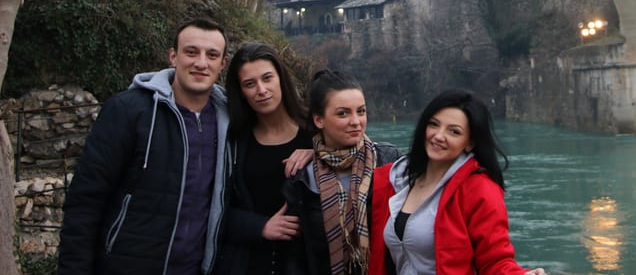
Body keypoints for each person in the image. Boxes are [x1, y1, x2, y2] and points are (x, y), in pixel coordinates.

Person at [59, 17, 231, 275]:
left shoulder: (230, 120)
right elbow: (85, 200)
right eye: (191, 52)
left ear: (222, 64)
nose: (201, 63)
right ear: (173, 56)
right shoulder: (128, 110)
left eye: (212, 55)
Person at [369, 89, 547, 275]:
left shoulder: (479, 190)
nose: (439, 136)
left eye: (454, 132)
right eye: (434, 124)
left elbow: (495, 261)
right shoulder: (397, 179)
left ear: (469, 143)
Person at [282, 69, 400, 275]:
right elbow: (296, 254)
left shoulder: (390, 161)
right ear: (319, 120)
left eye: (361, 111)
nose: (356, 121)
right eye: (343, 113)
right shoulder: (302, 178)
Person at [219, 42, 314, 275]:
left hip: (309, 260)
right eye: (250, 84)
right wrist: (260, 226)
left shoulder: (315, 131)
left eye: (267, 78)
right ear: (241, 91)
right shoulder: (233, 140)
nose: (261, 90)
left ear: (281, 79)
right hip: (250, 261)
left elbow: (361, 157)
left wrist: (320, 153)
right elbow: (212, 207)